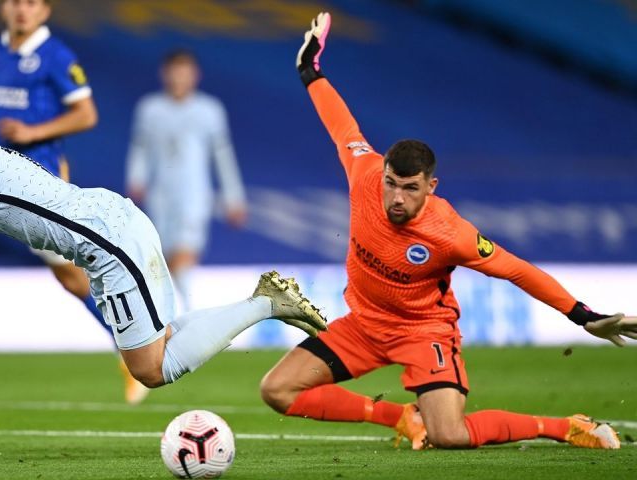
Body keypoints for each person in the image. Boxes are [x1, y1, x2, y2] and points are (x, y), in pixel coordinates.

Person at [259, 13, 637, 451]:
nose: (396, 197)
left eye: (410, 188)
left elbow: (516, 270)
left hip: (425, 334)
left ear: (430, 187)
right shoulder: (364, 173)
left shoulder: (450, 232)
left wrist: (582, 315)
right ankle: (399, 416)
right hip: (363, 326)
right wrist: (310, 73)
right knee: (276, 390)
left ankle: (566, 427)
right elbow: (341, 126)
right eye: (391, 184)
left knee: (450, 435)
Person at [0, 86, 327, 393]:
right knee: (159, 344)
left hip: (108, 245)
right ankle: (266, 301)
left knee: (151, 368)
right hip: (108, 231)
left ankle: (267, 303)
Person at [0, 0, 145, 402]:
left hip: (36, 181)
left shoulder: (56, 56)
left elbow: (86, 114)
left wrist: (31, 131)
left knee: (73, 278)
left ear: (45, 11)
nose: (23, 10)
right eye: (16, 2)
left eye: (32, 3)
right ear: (3, 8)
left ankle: (131, 350)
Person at [126, 49, 247, 311]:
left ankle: (189, 315)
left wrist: (233, 197)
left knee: (184, 255)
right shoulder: (150, 108)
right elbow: (140, 147)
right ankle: (170, 320)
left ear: (195, 76)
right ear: (165, 74)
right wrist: (136, 178)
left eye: (185, 73)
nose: (179, 79)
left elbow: (223, 156)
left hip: (195, 195)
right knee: (163, 261)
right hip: (160, 195)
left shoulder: (210, 110)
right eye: (175, 73)